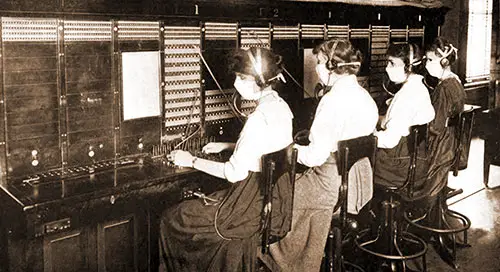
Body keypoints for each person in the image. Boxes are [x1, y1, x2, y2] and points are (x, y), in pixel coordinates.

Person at [159, 47, 294, 272]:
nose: (236, 83)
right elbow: (267, 147)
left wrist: (190, 159)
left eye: (242, 77)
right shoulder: (282, 108)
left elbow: (234, 173)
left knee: (171, 218)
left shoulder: (258, 119)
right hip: (271, 205)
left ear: (260, 80)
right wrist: (230, 146)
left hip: (243, 211)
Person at [268, 39, 378, 272]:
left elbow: (315, 158)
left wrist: (289, 150)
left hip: (331, 188)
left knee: (276, 197)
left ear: (331, 65)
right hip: (359, 184)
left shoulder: (331, 101)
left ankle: (287, 264)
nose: (316, 67)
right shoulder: (365, 96)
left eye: (319, 62)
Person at [373, 43, 435, 194]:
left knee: (355, 164)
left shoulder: (405, 97)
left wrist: (368, 136)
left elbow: (388, 141)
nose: (387, 68)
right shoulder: (419, 88)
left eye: (392, 63)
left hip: (398, 167)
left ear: (409, 66)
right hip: (417, 162)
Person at [424, 37, 466, 195]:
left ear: (443, 62)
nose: (427, 64)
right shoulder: (455, 81)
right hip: (452, 141)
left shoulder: (443, 88)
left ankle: (426, 201)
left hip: (441, 146)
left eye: (430, 59)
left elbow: (435, 126)